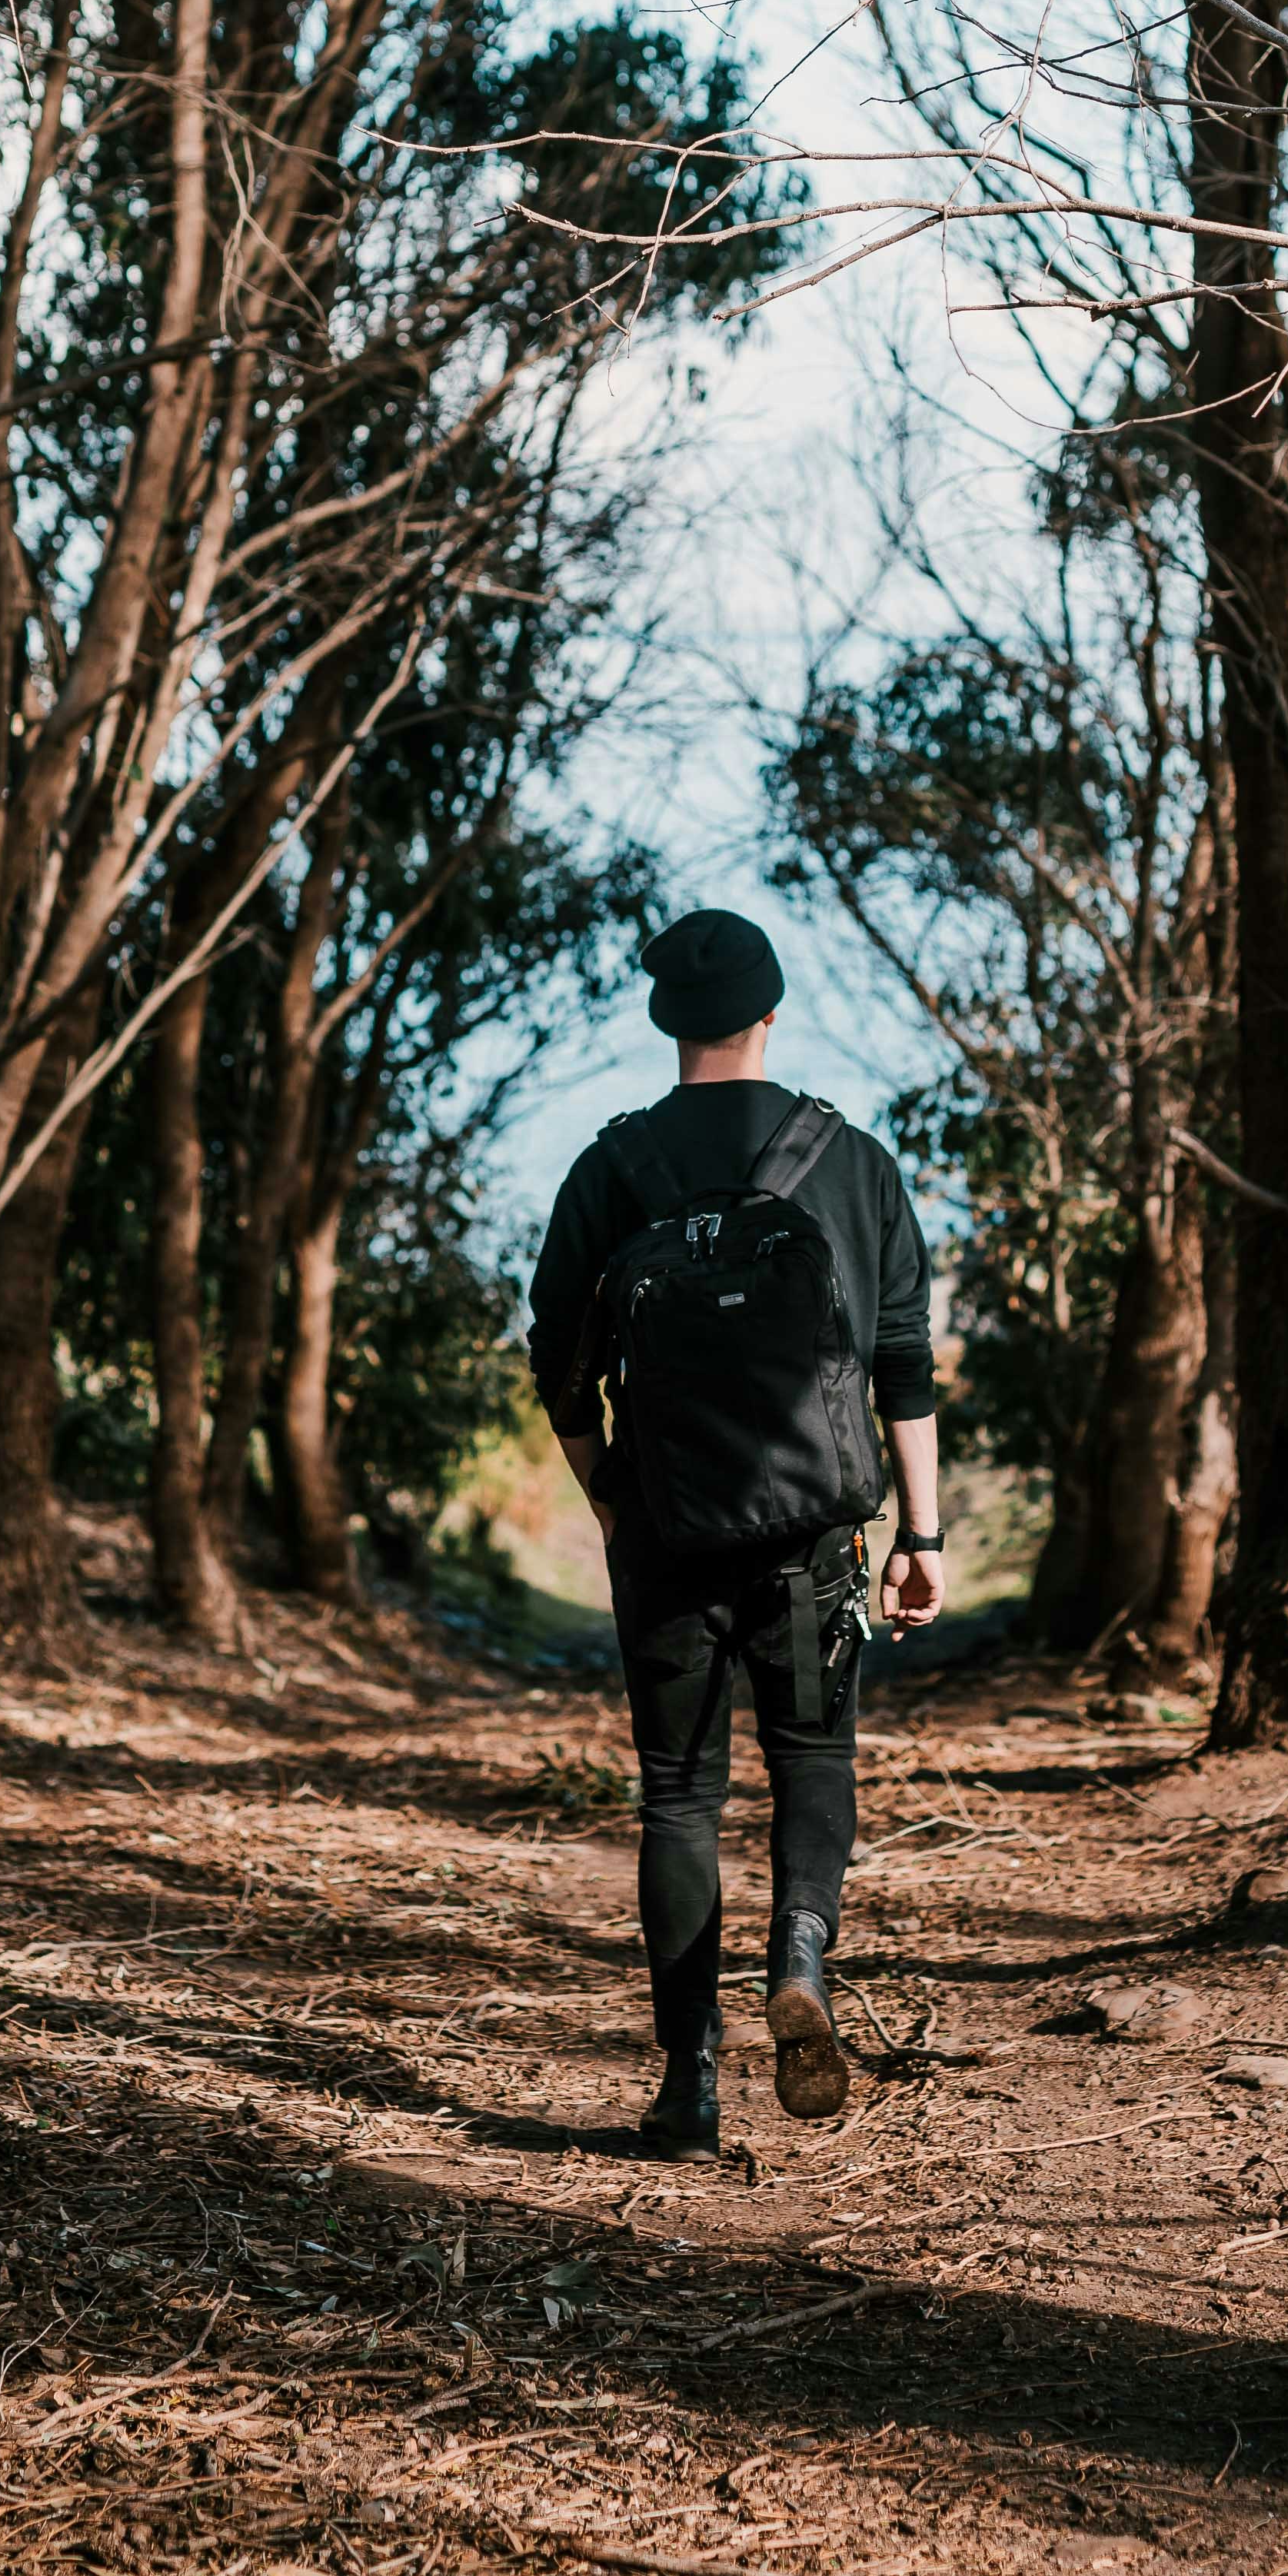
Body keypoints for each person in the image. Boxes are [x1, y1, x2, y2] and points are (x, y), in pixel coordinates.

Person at [528, 906, 944, 2155]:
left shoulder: (613, 1168)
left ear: (668, 1025)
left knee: (677, 1795)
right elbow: (903, 1361)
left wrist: (609, 1490)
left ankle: (686, 2087)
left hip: (666, 1534)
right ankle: (802, 1958)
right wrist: (922, 1531)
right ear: (772, 1015)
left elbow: (557, 1358)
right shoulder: (851, 1159)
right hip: (812, 1539)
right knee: (815, 1761)